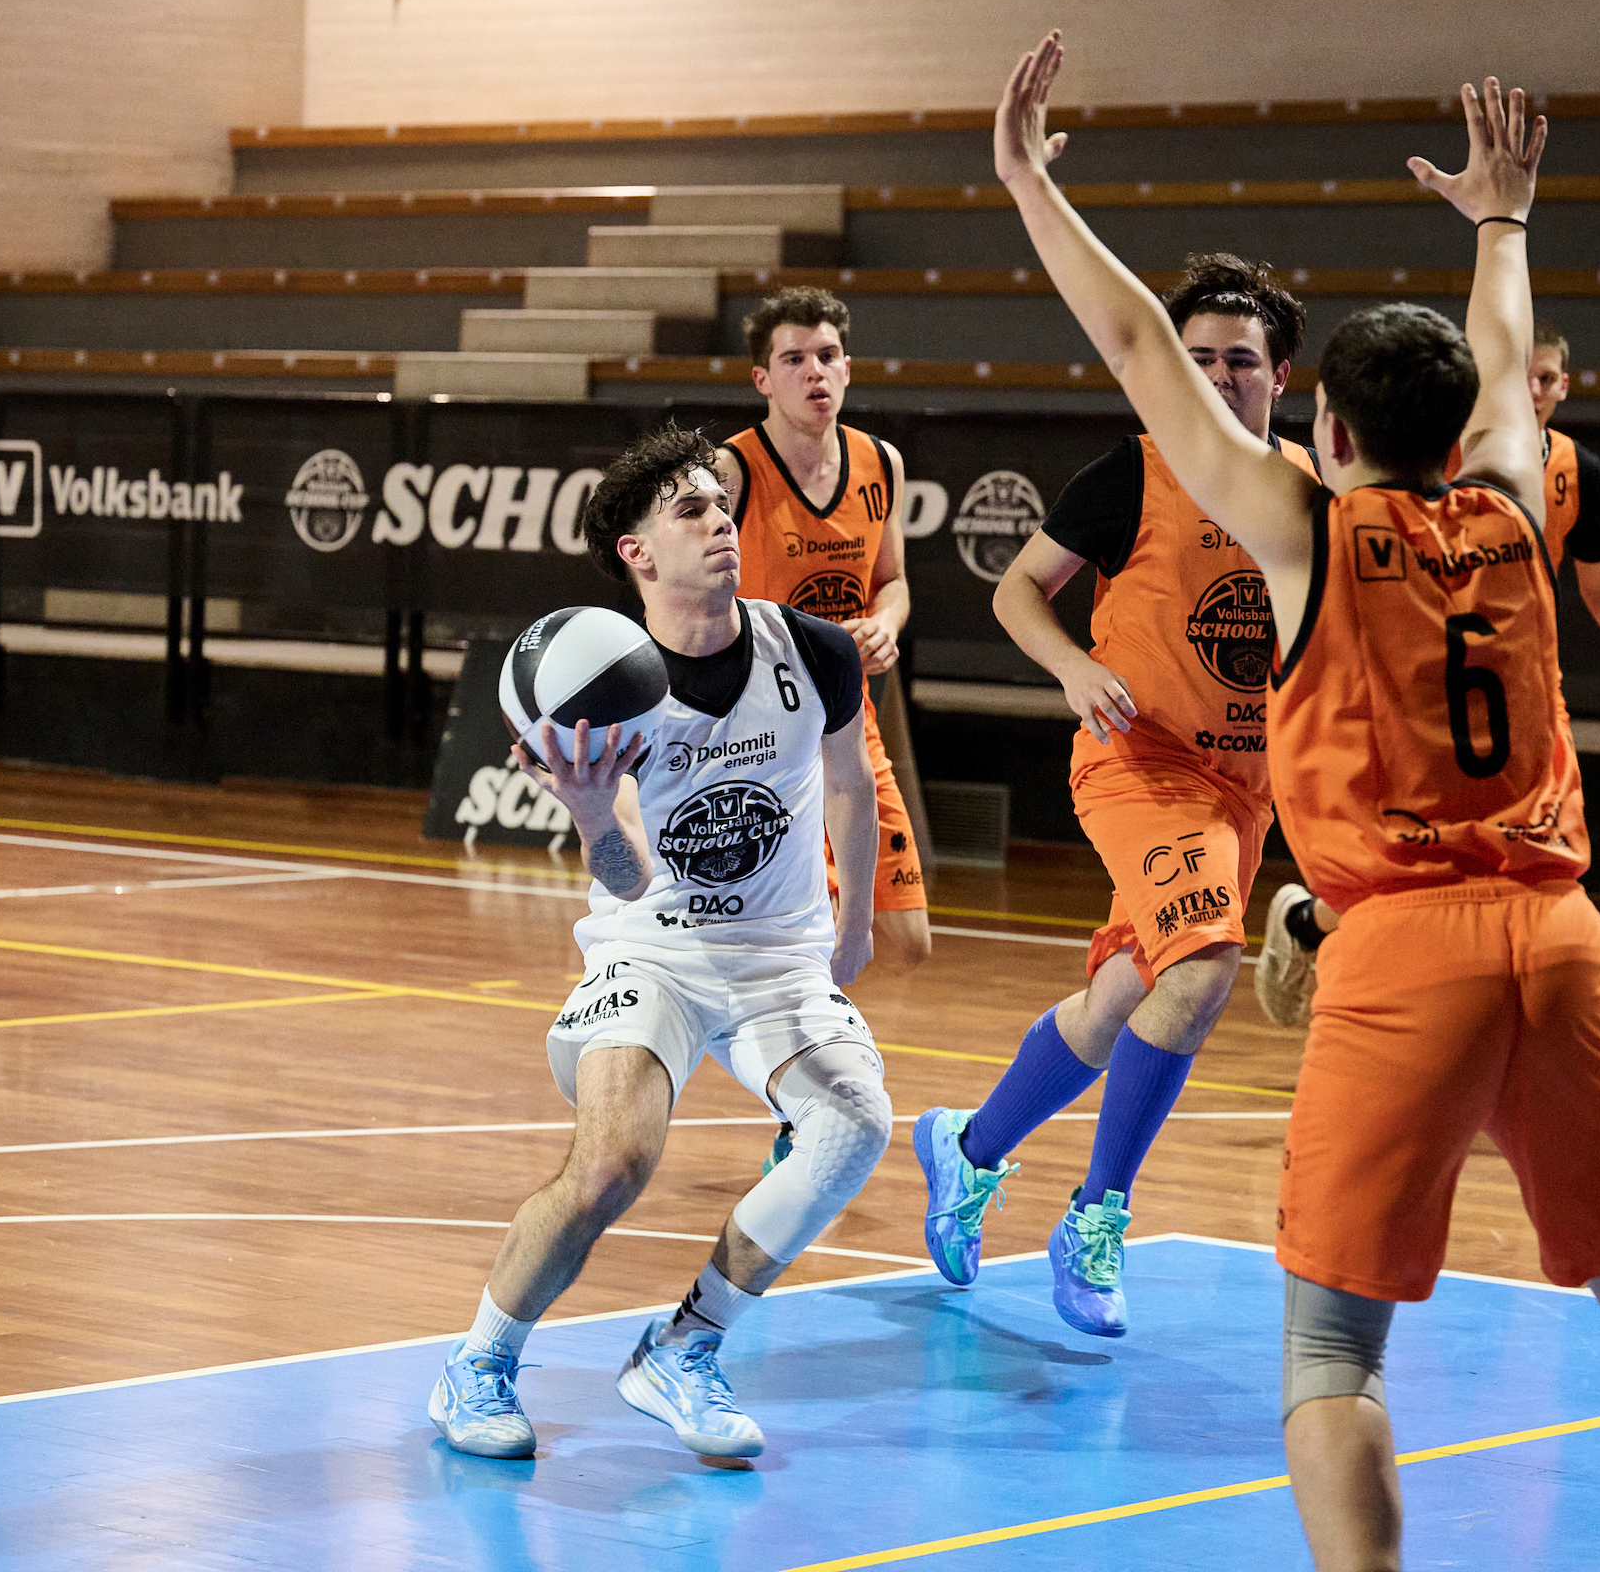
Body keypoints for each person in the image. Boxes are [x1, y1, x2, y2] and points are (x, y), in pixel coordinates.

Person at [990, 32, 1600, 1572]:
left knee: (1333, 1359)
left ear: (1324, 431)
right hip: (1562, 937)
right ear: (1470, 429)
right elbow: (1503, 351)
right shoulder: (1523, 507)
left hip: (1406, 951)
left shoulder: (1310, 531)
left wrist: (1025, 185)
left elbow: (1142, 352)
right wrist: (1504, 221)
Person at [428, 422, 890, 1463]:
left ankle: (684, 1348)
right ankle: (479, 1364)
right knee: (613, 1165)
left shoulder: (810, 649)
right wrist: (592, 812)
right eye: (690, 511)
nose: (721, 523)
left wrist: (850, 928)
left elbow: (855, 787)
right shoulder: (605, 693)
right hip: (658, 951)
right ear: (635, 550)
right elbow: (631, 875)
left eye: (725, 507)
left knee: (855, 1122)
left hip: (779, 954)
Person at [910, 254, 1319, 1337]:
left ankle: (967, 1149)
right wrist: (1072, 666)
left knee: (1124, 1000)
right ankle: (1097, 1217)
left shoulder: (1310, 487)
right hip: (1140, 763)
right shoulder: (1130, 473)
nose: (1216, 379)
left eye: (1239, 361)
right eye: (1195, 362)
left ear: (1282, 374)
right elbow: (1015, 588)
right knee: (1205, 967)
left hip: (1246, 787)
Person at [1255, 317, 1600, 1025]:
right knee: (1410, 847)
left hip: (1507, 666)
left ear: (1564, 385)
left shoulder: (1576, 471)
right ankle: (1338, 940)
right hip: (1407, 662)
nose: (1535, 389)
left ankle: (1317, 926)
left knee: (1497, 854)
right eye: (1524, 375)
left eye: (1547, 377)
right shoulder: (1447, 449)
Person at [718, 287, 932, 978]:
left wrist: (884, 623)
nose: (814, 371)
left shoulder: (881, 462)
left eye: (827, 355)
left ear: (847, 367)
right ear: (763, 379)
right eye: (794, 359)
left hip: (846, 718)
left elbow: (893, 581)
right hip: (760, 729)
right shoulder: (730, 470)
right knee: (807, 936)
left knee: (904, 937)